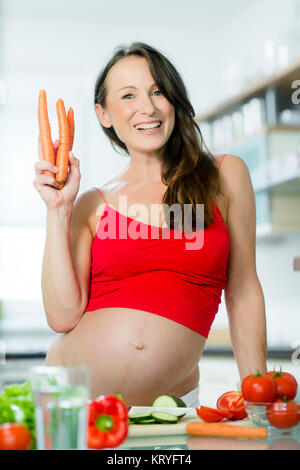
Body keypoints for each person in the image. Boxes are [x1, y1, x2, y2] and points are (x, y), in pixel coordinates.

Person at [33, 42, 267, 406]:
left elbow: (243, 290)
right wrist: (58, 210)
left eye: (158, 91)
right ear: (104, 114)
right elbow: (62, 316)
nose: (148, 107)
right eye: (128, 95)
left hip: (168, 407)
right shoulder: (92, 202)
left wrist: (258, 392)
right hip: (71, 400)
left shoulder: (224, 175)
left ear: (173, 99)